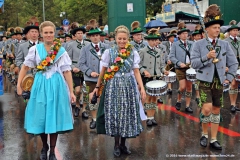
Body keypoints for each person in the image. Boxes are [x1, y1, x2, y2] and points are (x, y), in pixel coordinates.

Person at [17, 21, 75, 160]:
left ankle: (53, 150)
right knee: (41, 116)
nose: (48, 35)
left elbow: (67, 71)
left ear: (54, 33)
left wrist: (71, 92)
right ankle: (44, 146)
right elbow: (25, 67)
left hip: (56, 85)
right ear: (41, 34)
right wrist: (19, 84)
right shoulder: (35, 49)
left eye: (51, 32)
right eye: (46, 32)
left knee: (53, 116)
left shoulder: (60, 50)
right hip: (40, 84)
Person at [191, 4, 238, 150]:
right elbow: (194, 64)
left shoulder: (224, 45)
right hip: (204, 81)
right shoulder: (198, 45)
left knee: (216, 110)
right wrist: (207, 57)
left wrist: (229, 78)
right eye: (215, 28)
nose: (218, 30)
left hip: (220, 82)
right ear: (207, 29)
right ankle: (204, 134)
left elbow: (234, 63)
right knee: (206, 109)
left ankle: (213, 139)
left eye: (219, 28)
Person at [95, 25, 146, 157]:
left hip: (128, 85)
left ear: (128, 39)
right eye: (119, 38)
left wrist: (141, 87)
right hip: (113, 86)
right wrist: (97, 87)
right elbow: (103, 71)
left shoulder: (133, 52)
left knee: (126, 115)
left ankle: (123, 144)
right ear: (115, 39)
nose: (122, 41)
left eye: (124, 39)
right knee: (116, 114)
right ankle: (116, 144)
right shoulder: (109, 52)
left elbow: (136, 71)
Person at [79, 19, 108, 129]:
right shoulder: (85, 49)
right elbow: (81, 64)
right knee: (93, 99)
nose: (95, 37)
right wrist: (90, 73)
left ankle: (103, 118)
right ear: (89, 37)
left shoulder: (107, 47)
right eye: (93, 36)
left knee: (104, 99)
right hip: (91, 79)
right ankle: (94, 119)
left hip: (105, 78)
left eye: (97, 35)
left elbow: (111, 62)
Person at [139, 28, 168, 126]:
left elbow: (161, 65)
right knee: (148, 97)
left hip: (157, 77)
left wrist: (164, 71)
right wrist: (144, 71)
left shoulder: (159, 51)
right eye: (152, 40)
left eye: (155, 40)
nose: (154, 42)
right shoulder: (143, 51)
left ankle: (152, 116)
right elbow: (138, 64)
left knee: (154, 98)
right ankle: (148, 117)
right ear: (148, 41)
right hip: (148, 77)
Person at [169, 22, 194, 113]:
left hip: (190, 67)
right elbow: (171, 56)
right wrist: (179, 63)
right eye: (183, 33)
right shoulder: (175, 44)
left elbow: (195, 54)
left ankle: (187, 105)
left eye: (186, 33)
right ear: (179, 35)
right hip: (180, 68)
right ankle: (179, 100)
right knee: (182, 87)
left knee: (189, 87)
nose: (185, 35)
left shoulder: (192, 43)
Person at [67, 24, 90, 118]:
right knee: (77, 91)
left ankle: (84, 109)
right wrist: (72, 67)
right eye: (78, 33)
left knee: (85, 91)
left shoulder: (88, 44)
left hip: (86, 70)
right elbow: (68, 59)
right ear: (75, 35)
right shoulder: (70, 45)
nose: (80, 35)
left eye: (81, 33)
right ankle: (77, 105)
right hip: (76, 70)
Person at [224, 20, 240, 113]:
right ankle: (232, 104)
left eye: (237, 30)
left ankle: (235, 103)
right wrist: (226, 66)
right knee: (233, 84)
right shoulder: (226, 41)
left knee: (237, 84)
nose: (235, 32)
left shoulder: (239, 40)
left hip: (239, 65)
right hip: (231, 64)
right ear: (229, 31)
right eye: (233, 30)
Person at [162, 29, 177, 94]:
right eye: (171, 37)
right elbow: (164, 53)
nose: (173, 38)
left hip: (174, 60)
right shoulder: (165, 44)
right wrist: (168, 59)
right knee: (168, 73)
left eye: (173, 37)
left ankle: (172, 86)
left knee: (173, 75)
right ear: (169, 38)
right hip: (167, 61)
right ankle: (169, 88)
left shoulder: (176, 44)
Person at [192, 24, 203, 105]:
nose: (199, 37)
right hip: (194, 64)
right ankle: (198, 96)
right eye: (197, 36)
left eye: (200, 35)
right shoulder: (192, 44)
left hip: (202, 64)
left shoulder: (203, 43)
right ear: (194, 37)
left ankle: (201, 96)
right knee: (196, 81)